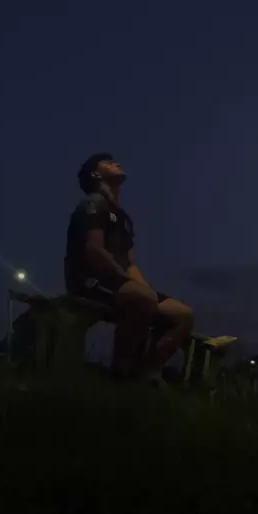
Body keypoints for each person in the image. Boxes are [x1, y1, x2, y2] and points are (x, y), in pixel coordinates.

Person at [64, 153, 196, 384]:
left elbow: (131, 263)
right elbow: (94, 250)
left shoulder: (124, 218)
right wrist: (132, 286)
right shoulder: (93, 203)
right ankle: (120, 372)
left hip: (119, 281)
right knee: (141, 298)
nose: (116, 163)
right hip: (90, 280)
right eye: (107, 163)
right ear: (95, 174)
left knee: (182, 315)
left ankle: (148, 371)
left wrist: (143, 287)